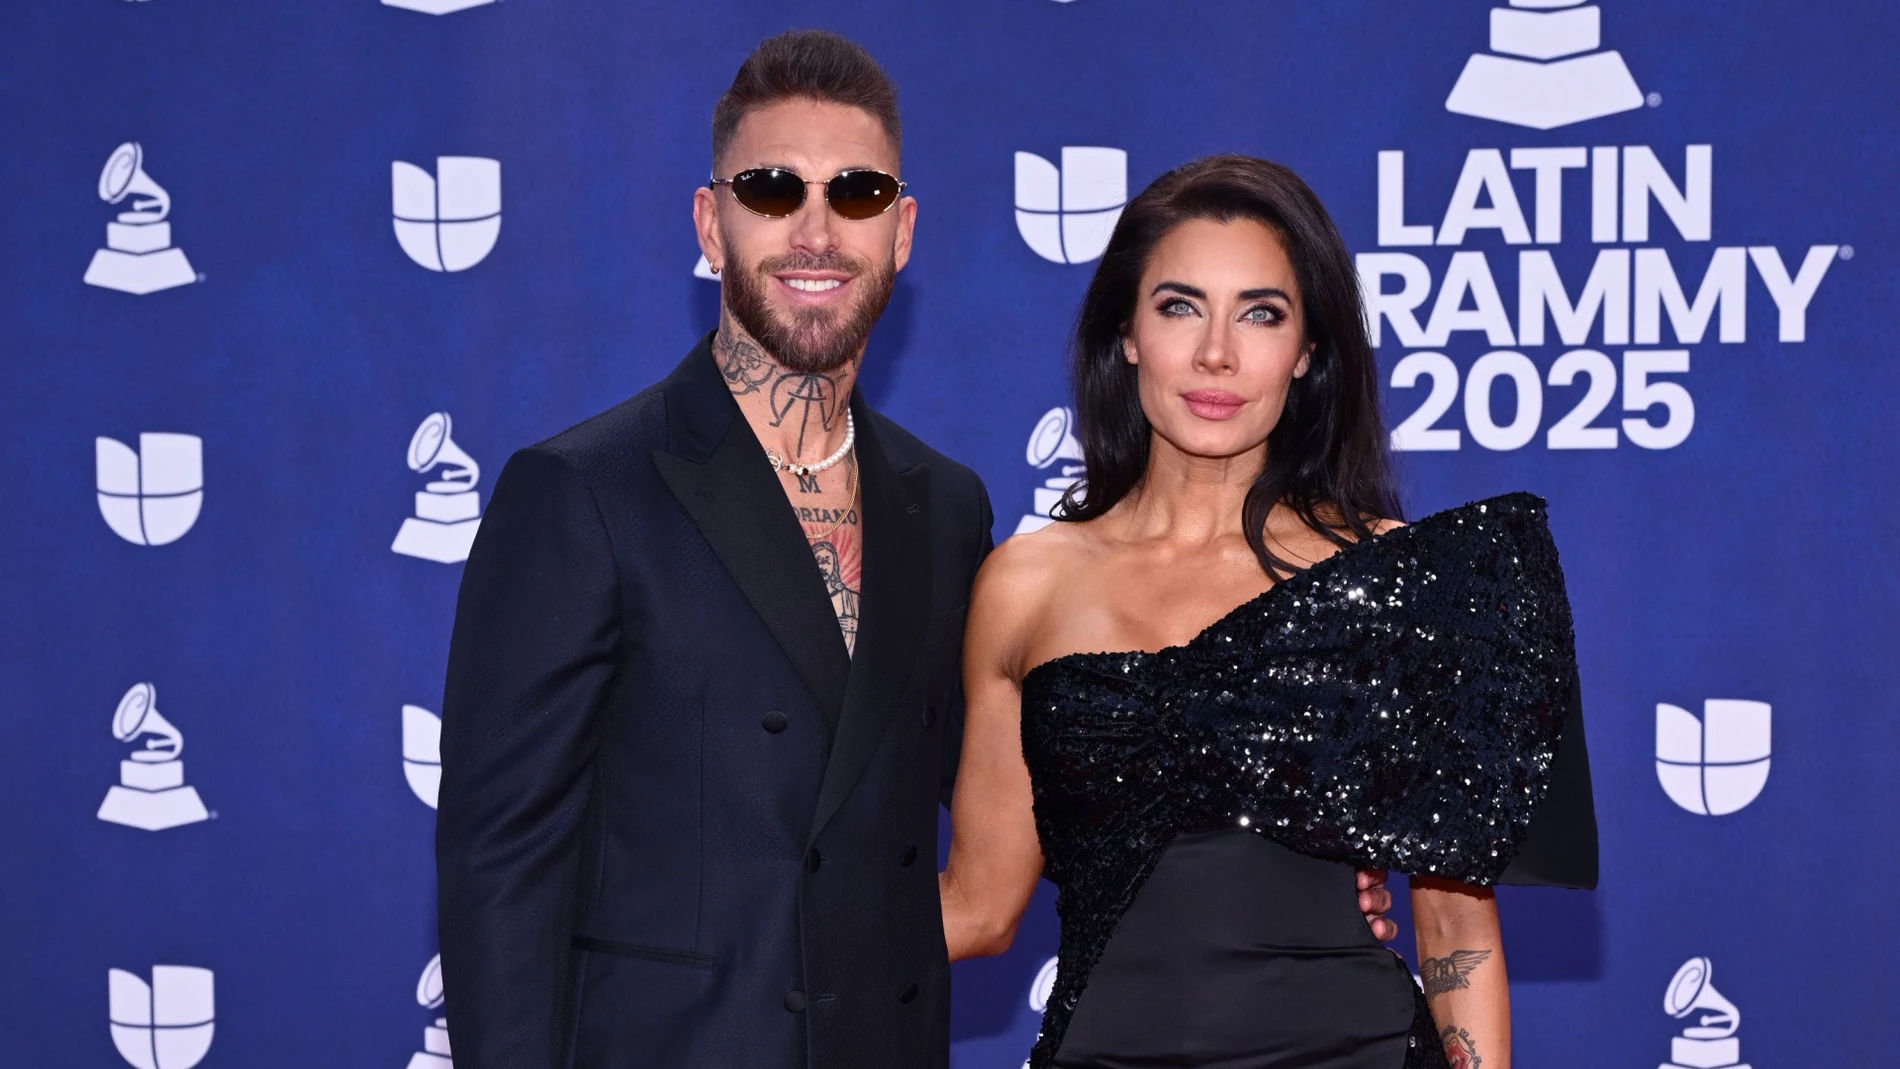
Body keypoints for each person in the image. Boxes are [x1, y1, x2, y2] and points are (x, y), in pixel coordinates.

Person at [435, 31, 1397, 1069]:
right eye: (771, 189)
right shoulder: (582, 492)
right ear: (710, 225)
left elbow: (1040, 803)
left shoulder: (943, 510)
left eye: (854, 193)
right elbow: (501, 871)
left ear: (901, 232)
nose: (814, 230)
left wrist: (1292, 874)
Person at [938, 155, 1597, 1069]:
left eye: (1260, 313)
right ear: (1127, 333)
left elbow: (1451, 919)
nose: (1217, 352)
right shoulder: (1026, 581)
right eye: (1179, 306)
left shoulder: (1388, 574)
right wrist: (748, 938)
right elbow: (978, 902)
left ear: (1309, 351)